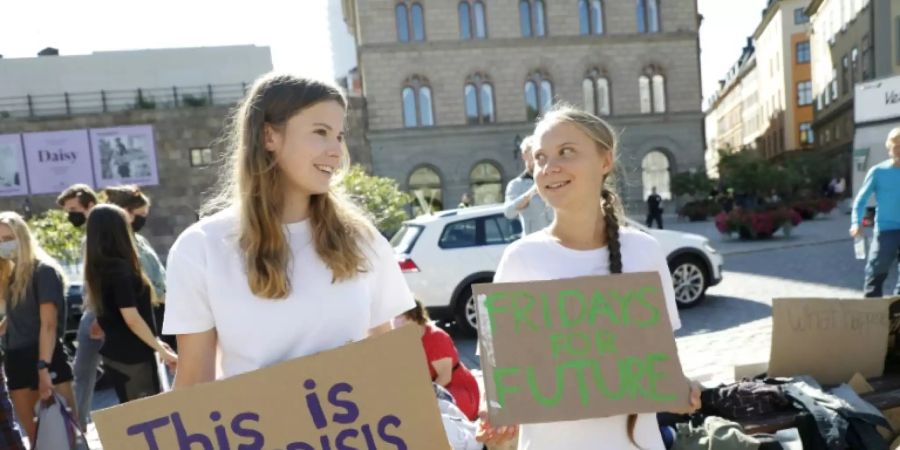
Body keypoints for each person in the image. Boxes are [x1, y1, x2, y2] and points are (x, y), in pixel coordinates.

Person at [163, 73, 415, 387]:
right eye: (321, 132)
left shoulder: (363, 240)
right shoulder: (200, 248)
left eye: (339, 135)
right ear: (269, 136)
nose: (336, 150)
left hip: (360, 433)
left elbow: (387, 362)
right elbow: (195, 384)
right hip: (254, 434)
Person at [477, 106, 699, 449]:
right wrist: (497, 418)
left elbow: (658, 371)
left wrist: (684, 392)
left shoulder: (644, 252)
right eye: (540, 157)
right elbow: (503, 377)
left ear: (605, 161)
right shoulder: (520, 259)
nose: (550, 167)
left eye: (567, 152)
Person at [83, 204, 177, 402]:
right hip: (133, 357)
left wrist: (156, 343)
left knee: (138, 418)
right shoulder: (120, 270)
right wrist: (161, 350)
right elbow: (132, 318)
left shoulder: (99, 269)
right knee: (148, 417)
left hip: (120, 354)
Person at [0, 212, 77, 446]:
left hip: (47, 358)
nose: (4, 245)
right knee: (36, 438)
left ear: (22, 237)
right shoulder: (9, 276)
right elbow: (18, 315)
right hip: (17, 359)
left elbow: (49, 324)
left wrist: (43, 368)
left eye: (8, 238)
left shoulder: (44, 271)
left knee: (65, 434)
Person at [56, 183, 102, 430]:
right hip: (92, 312)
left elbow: (100, 279)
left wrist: (97, 316)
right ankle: (78, 427)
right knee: (83, 374)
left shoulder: (100, 236)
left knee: (84, 375)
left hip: (97, 313)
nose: (70, 215)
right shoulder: (89, 237)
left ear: (90, 206)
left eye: (73, 209)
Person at [103, 185, 170, 349]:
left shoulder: (140, 240)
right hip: (150, 316)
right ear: (126, 212)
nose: (143, 219)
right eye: (141, 214)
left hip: (164, 312)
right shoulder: (119, 247)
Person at [395, 301, 480, 421]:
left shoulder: (436, 338)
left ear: (414, 317)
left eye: (401, 318)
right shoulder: (410, 337)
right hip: (436, 388)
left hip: (456, 390)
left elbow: (445, 377)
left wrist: (423, 400)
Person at [851, 127, 900, 298]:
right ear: (889, 148)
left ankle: (896, 317)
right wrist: (856, 223)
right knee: (875, 273)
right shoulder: (878, 172)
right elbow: (860, 200)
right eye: (896, 146)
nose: (899, 150)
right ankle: (871, 315)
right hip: (886, 231)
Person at [504, 136, 554, 235]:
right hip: (534, 243)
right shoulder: (516, 184)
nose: (536, 158)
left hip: (558, 241)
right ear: (524, 156)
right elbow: (509, 212)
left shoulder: (552, 179)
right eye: (532, 153)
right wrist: (532, 192)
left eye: (539, 153)